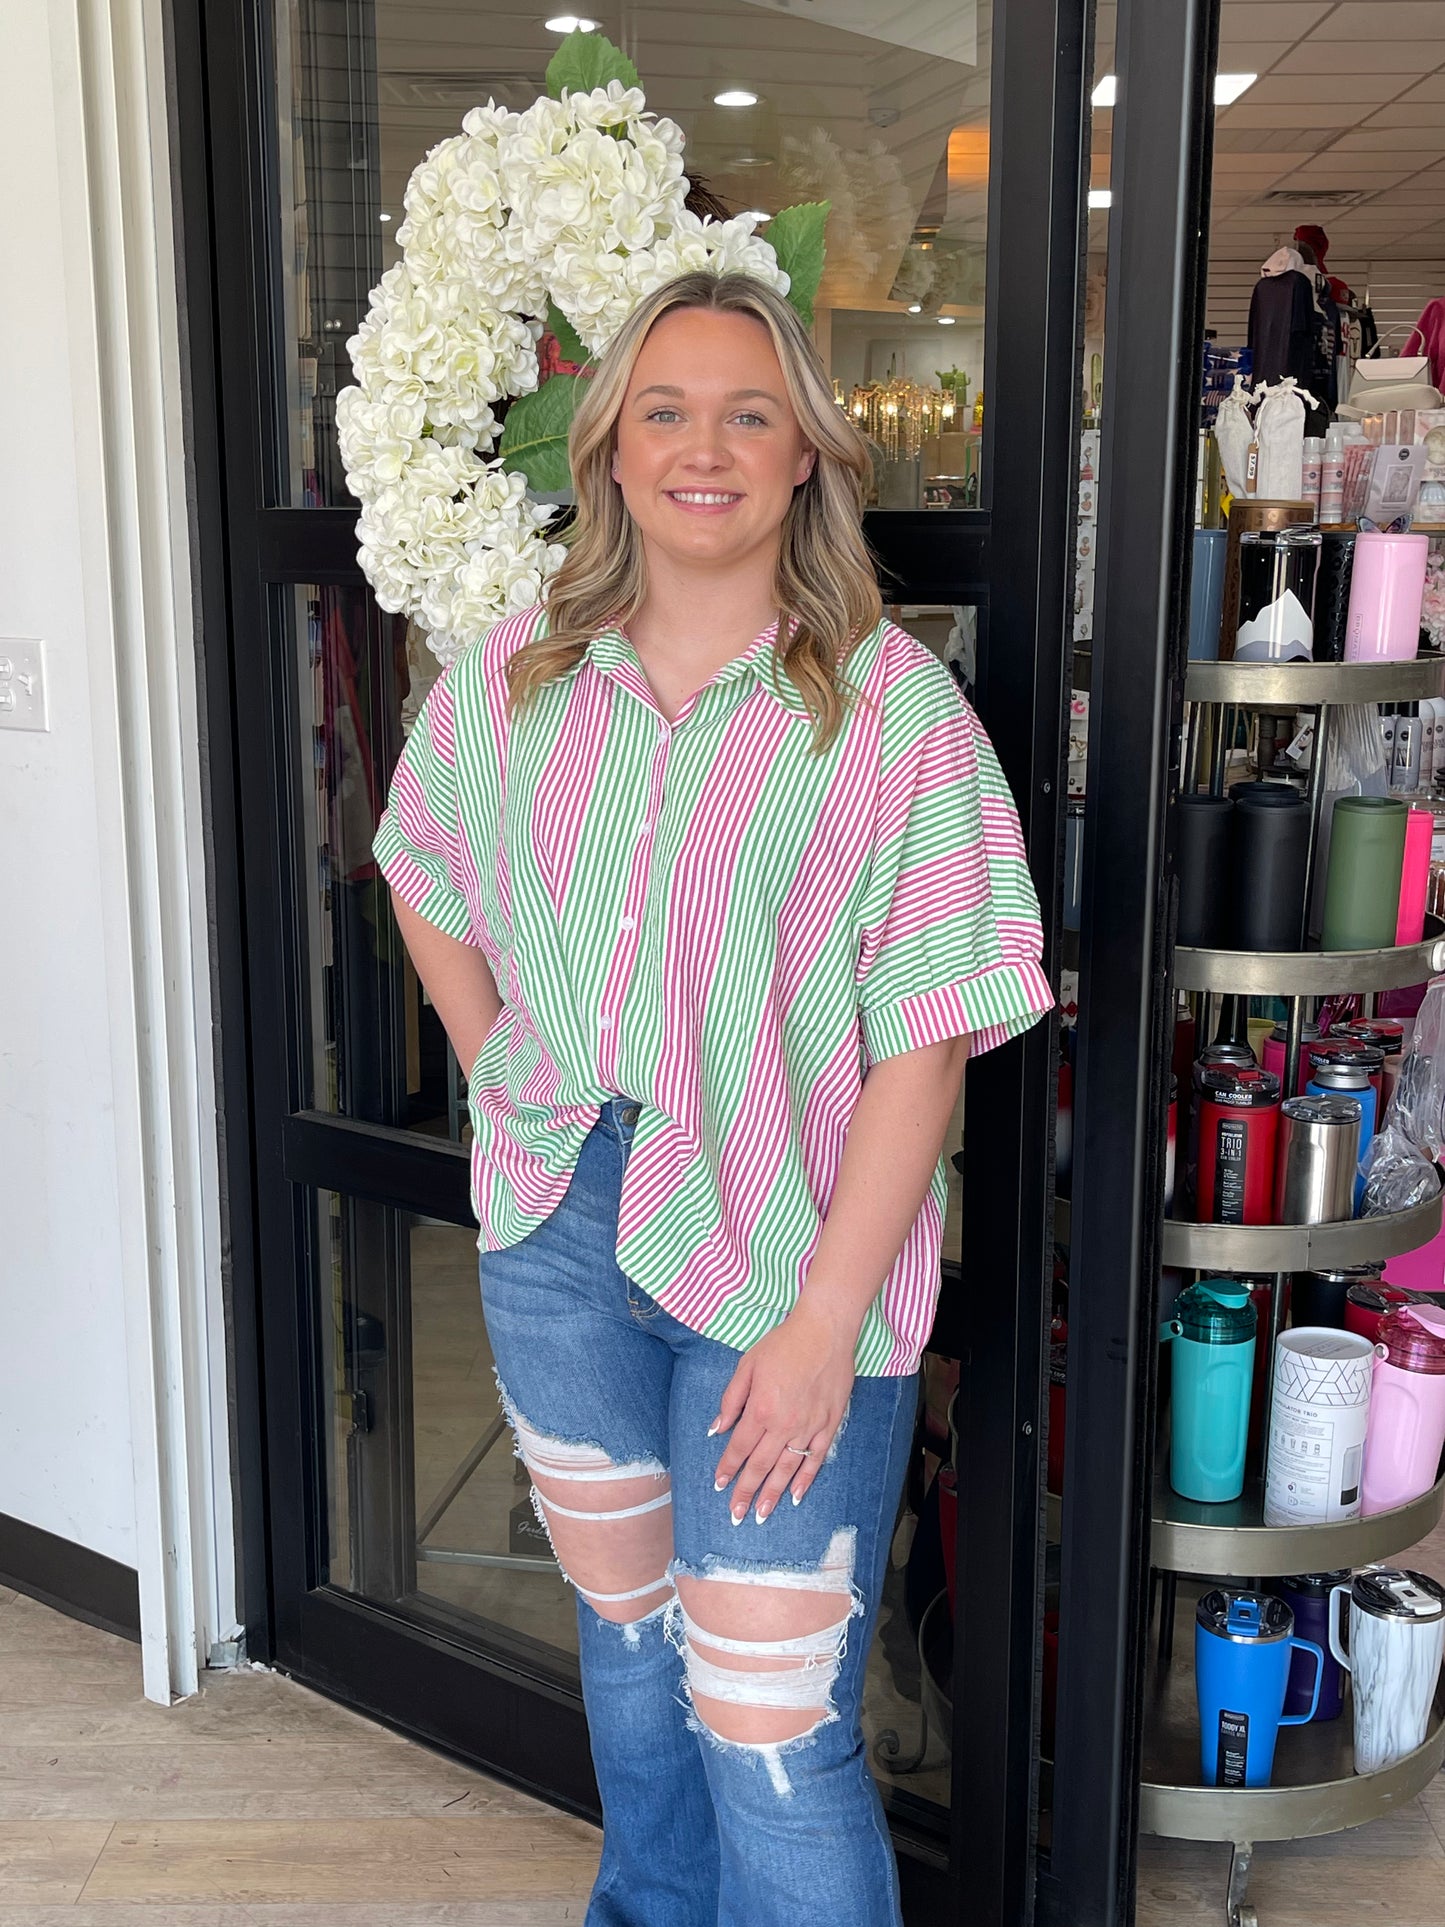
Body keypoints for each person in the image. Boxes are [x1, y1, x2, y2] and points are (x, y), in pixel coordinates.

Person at [372, 269, 1052, 1927]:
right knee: (625, 1655)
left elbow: (931, 1039)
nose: (704, 447)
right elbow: (420, 863)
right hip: (558, 1235)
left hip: (784, 1257)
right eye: (662, 411)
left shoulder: (895, 718)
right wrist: (501, 1073)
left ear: (806, 456)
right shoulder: (517, 679)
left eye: (749, 413)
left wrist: (825, 1323)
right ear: (606, 452)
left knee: (767, 1717)